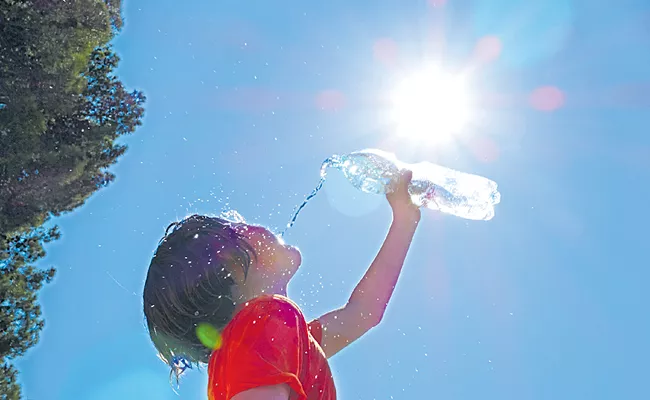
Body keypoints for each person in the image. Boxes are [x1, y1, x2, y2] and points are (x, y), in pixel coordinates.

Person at [142, 170, 421, 400]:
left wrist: (405, 220)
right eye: (240, 227)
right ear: (233, 267)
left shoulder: (274, 340)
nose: (256, 226)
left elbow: (363, 312)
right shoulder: (264, 319)